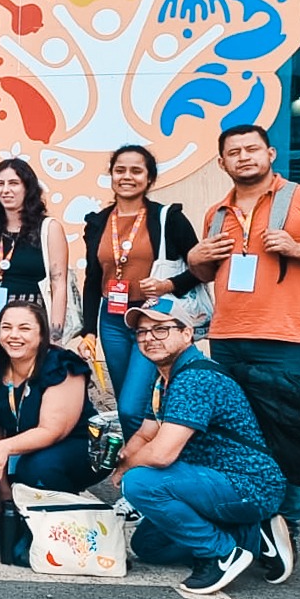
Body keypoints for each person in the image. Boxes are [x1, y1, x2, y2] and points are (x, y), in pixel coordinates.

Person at [187, 123, 300, 546]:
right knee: (234, 432)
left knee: (284, 430)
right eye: (235, 152)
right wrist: (196, 259)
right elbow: (207, 272)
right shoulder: (217, 213)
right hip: (227, 337)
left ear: (271, 155)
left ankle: (287, 525)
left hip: (283, 338)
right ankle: (247, 512)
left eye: (252, 149)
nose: (244, 157)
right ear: (221, 162)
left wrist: (299, 249)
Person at [116, 295, 290, 593]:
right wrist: (120, 462)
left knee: (141, 483)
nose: (149, 338)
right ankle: (254, 535)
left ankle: (222, 553)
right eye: (142, 332)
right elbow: (146, 434)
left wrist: (127, 472)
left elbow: (160, 454)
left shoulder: (195, 378)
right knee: (149, 546)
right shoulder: (164, 379)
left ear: (187, 333)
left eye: (161, 329)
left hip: (247, 484)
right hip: (210, 480)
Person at [80, 144, 204, 438]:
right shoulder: (97, 222)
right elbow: (92, 278)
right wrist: (88, 331)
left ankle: (148, 459)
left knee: (131, 407)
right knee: (128, 399)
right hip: (111, 318)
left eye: (136, 171)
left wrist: (168, 285)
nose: (127, 176)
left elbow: (201, 269)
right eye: (120, 170)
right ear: (111, 175)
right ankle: (140, 462)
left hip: (153, 318)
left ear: (149, 179)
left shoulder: (168, 219)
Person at [0, 301, 101, 497]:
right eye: (6, 328)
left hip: (80, 445)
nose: (14, 335)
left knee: (37, 469)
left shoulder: (60, 365)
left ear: (41, 335)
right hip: (22, 447)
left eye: (24, 328)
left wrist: (3, 447)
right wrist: (4, 491)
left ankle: (65, 516)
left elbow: (52, 431)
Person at [0, 159, 69, 357]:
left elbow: (59, 284)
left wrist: (55, 335)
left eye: (13, 183)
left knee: (30, 378)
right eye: (0, 184)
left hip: (31, 313)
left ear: (28, 188)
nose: (6, 190)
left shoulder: (49, 229)